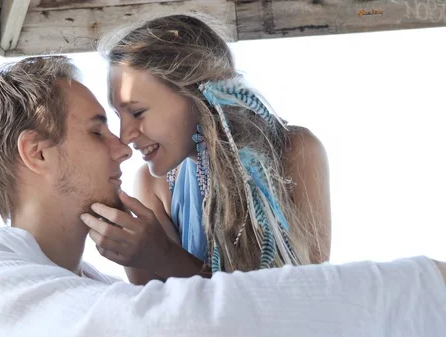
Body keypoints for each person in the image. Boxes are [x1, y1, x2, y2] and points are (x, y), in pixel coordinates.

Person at [0, 56, 446, 337]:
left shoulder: (80, 286)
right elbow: (177, 320)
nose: (123, 150)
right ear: (36, 153)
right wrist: (425, 285)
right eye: (96, 130)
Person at [86, 14, 331, 284]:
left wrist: (162, 254)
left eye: (137, 112)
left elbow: (308, 291)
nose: (125, 136)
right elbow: (158, 304)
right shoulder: (153, 184)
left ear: (196, 95)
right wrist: (132, 254)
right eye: (120, 117)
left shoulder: (295, 151)